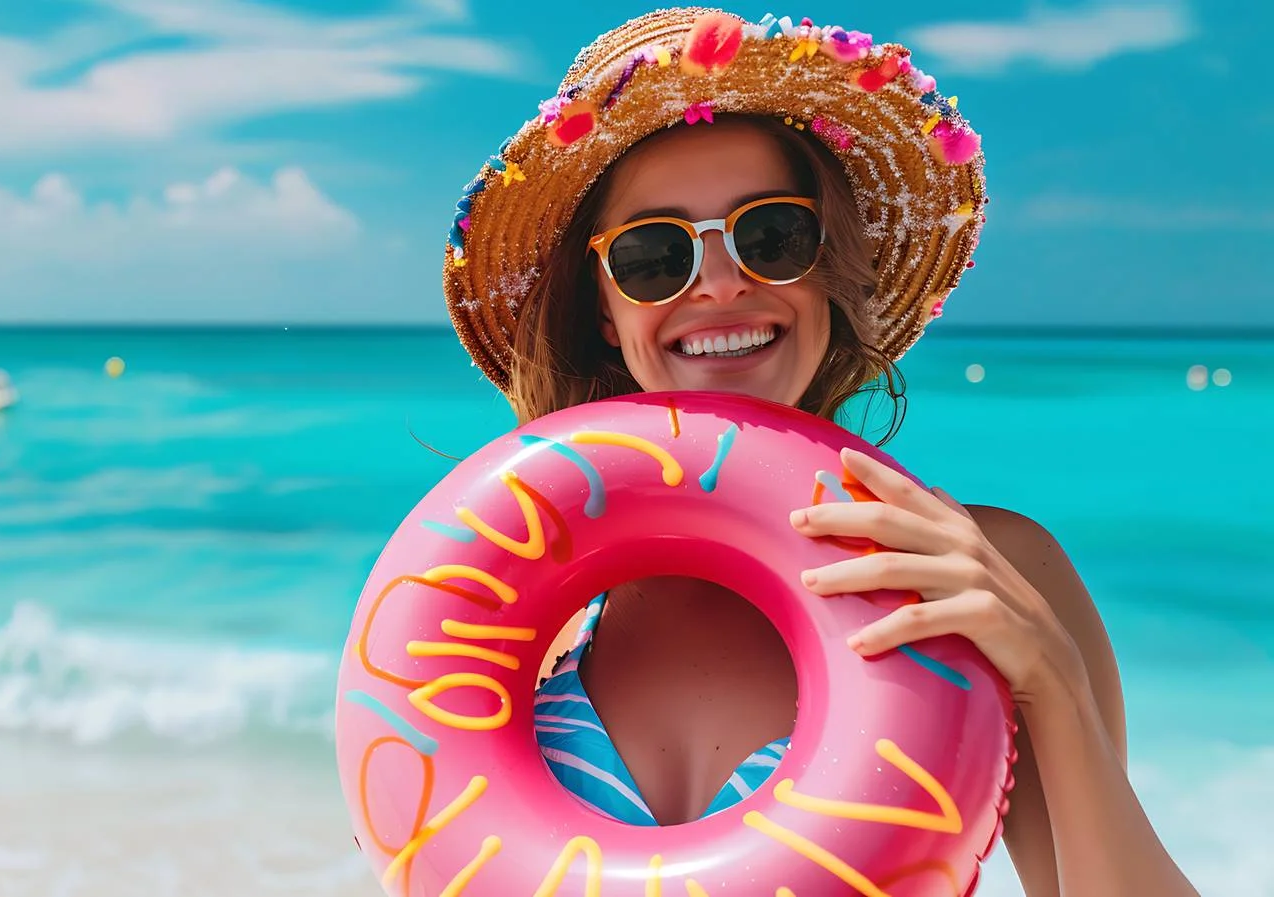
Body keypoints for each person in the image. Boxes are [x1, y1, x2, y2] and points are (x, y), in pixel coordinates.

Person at [439, 9, 1199, 896]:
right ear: (606, 310)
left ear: (826, 267)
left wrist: (1056, 686)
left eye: (771, 237)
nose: (722, 283)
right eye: (654, 256)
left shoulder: (978, 572)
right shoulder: (523, 612)